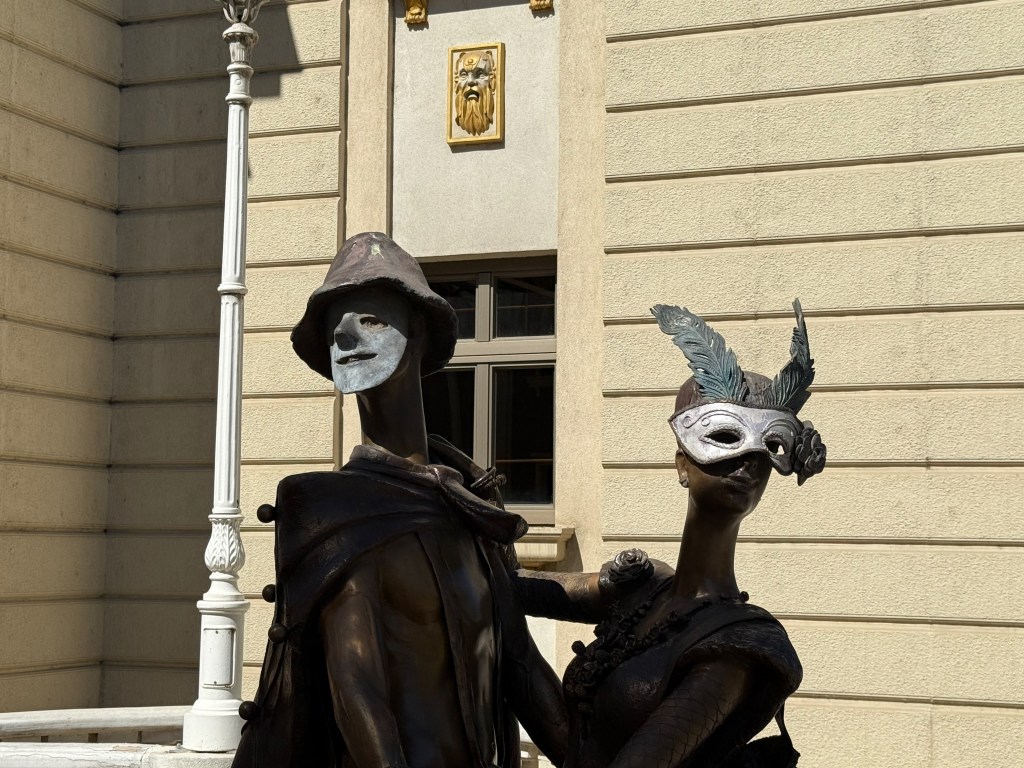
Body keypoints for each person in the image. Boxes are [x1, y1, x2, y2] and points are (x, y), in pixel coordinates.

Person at [233, 232, 634, 768]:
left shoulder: (468, 509)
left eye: (372, 319)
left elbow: (521, 668)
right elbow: (359, 692)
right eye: (337, 327)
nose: (350, 335)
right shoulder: (329, 507)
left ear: (419, 330)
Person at [561, 301, 827, 768]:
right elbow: (516, 591)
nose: (747, 464)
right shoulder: (644, 588)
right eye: (724, 438)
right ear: (682, 463)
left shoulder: (739, 645)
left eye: (768, 450)